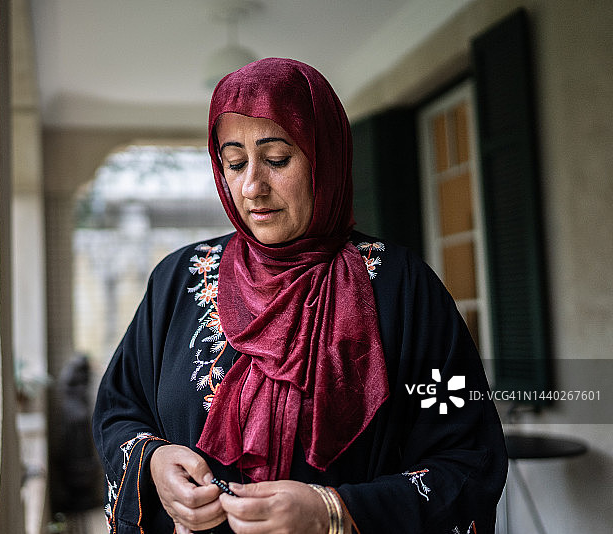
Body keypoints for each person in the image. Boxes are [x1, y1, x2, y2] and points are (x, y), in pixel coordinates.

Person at [92, 58, 507, 534]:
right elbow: (120, 410)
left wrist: (334, 512)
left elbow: (465, 461)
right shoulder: (178, 280)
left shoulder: (400, 288)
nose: (252, 186)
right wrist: (154, 462)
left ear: (323, 158)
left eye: (276, 160)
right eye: (234, 163)